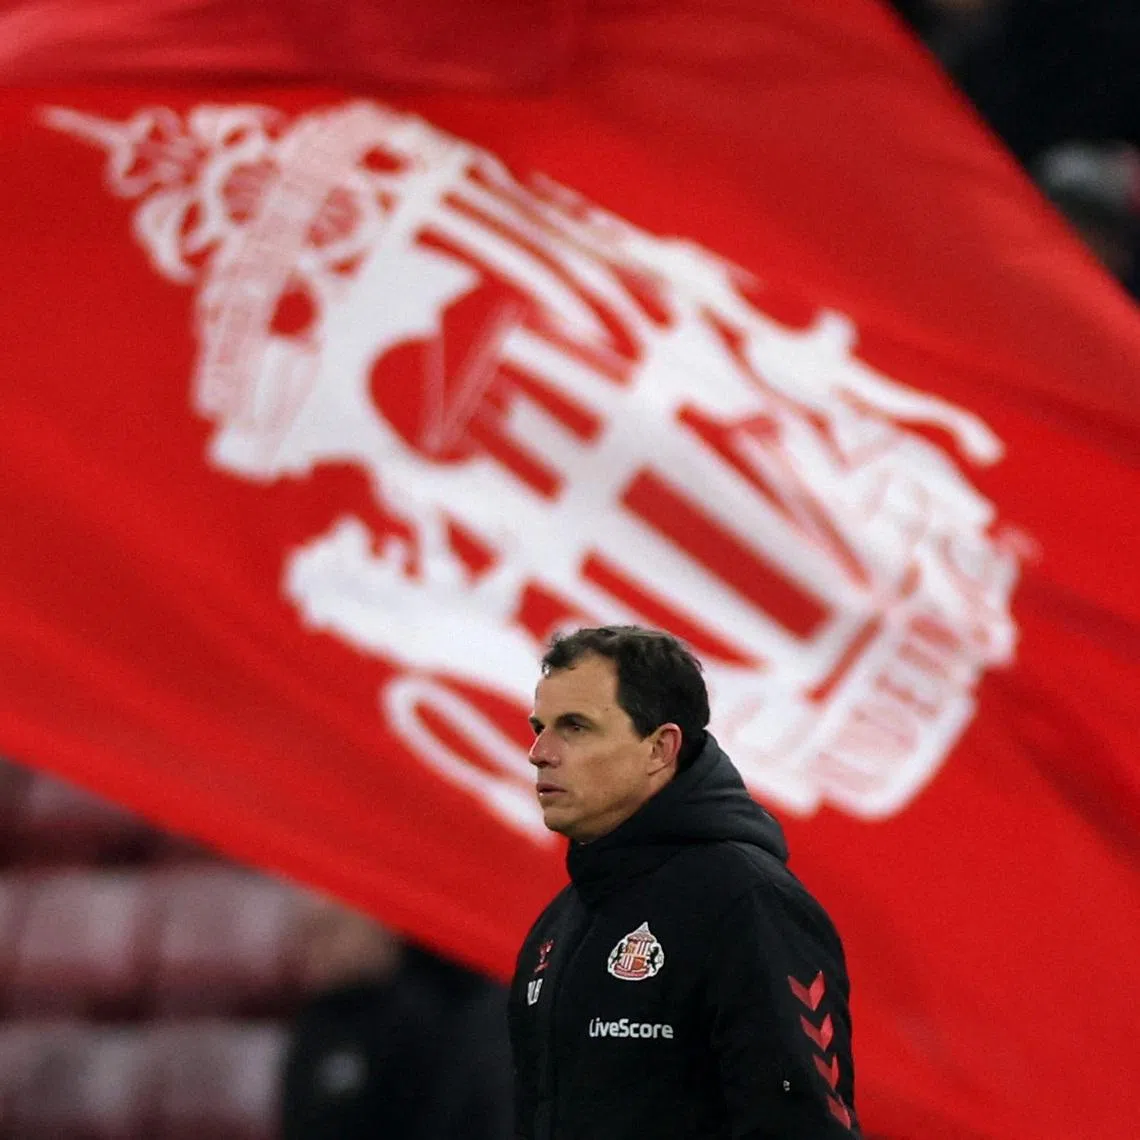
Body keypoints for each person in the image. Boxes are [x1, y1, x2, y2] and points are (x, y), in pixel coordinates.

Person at [508, 626, 859, 1139]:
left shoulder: (747, 902)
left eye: (576, 727)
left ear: (659, 748)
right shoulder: (556, 925)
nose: (539, 752)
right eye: (540, 727)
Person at [281, 894, 513, 1140]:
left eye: (331, 932)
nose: (321, 951)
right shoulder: (314, 1030)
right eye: (310, 937)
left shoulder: (428, 1013)